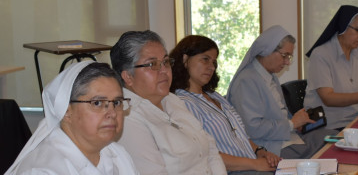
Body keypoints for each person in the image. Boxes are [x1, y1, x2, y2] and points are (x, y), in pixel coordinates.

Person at [110, 30, 226, 175]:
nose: (164, 70)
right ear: (128, 76)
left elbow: (210, 149)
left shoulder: (171, 99)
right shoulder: (127, 118)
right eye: (152, 64)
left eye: (165, 62)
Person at [170, 35, 280, 174]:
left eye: (214, 62)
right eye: (205, 59)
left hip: (251, 166)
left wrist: (259, 151)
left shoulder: (214, 96)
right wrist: (255, 164)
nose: (211, 67)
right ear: (185, 60)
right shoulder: (181, 103)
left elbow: (237, 134)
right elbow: (202, 155)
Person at [6, 61, 138, 174]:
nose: (113, 113)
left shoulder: (118, 154)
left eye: (117, 103)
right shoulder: (42, 170)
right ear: (66, 111)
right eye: (97, 103)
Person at [227, 25, 330, 159]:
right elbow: (253, 129)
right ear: (267, 50)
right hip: (269, 148)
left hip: (285, 137)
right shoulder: (246, 81)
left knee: (333, 136)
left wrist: (297, 122)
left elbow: (278, 115)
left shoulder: (270, 76)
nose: (287, 62)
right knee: (328, 149)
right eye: (284, 55)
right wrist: (291, 124)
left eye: (289, 57)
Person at [303, 5, 358, 131]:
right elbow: (328, 98)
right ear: (343, 27)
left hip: (357, 123)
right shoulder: (321, 54)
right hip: (327, 127)